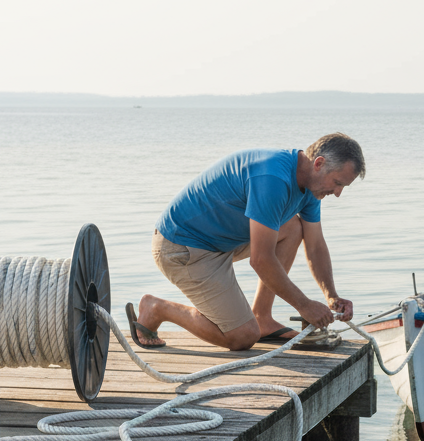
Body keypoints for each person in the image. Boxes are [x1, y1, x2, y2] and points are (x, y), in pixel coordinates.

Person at [127, 133, 364, 350]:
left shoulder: (310, 186)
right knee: (242, 337)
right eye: (338, 183)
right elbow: (261, 260)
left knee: (292, 228)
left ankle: (263, 317)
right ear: (319, 164)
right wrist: (304, 305)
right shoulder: (273, 178)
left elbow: (315, 245)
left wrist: (331, 295)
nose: (338, 192)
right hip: (180, 246)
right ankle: (157, 308)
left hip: (219, 242)